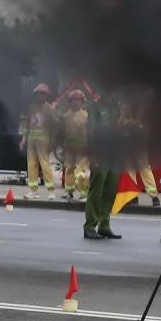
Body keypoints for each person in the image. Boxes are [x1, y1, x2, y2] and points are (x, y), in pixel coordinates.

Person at [82, 90, 122, 241]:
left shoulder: (115, 107)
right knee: (97, 190)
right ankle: (90, 226)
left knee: (111, 190)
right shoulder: (95, 107)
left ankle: (104, 225)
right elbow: (90, 132)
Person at [20, 82, 57, 198]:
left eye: (42, 94)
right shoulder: (32, 108)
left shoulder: (50, 109)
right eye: (38, 94)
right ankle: (33, 191)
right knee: (31, 166)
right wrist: (23, 140)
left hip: (44, 143)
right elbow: (27, 126)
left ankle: (51, 191)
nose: (40, 96)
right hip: (32, 142)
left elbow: (54, 128)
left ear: (47, 95)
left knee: (45, 166)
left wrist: (53, 143)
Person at [57, 89, 90, 200]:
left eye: (78, 100)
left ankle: (84, 192)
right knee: (69, 169)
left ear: (82, 102)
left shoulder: (86, 116)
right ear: (69, 102)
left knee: (82, 171)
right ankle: (69, 191)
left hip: (83, 149)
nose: (76, 103)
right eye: (73, 101)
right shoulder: (65, 116)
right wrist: (61, 146)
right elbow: (61, 132)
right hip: (69, 148)